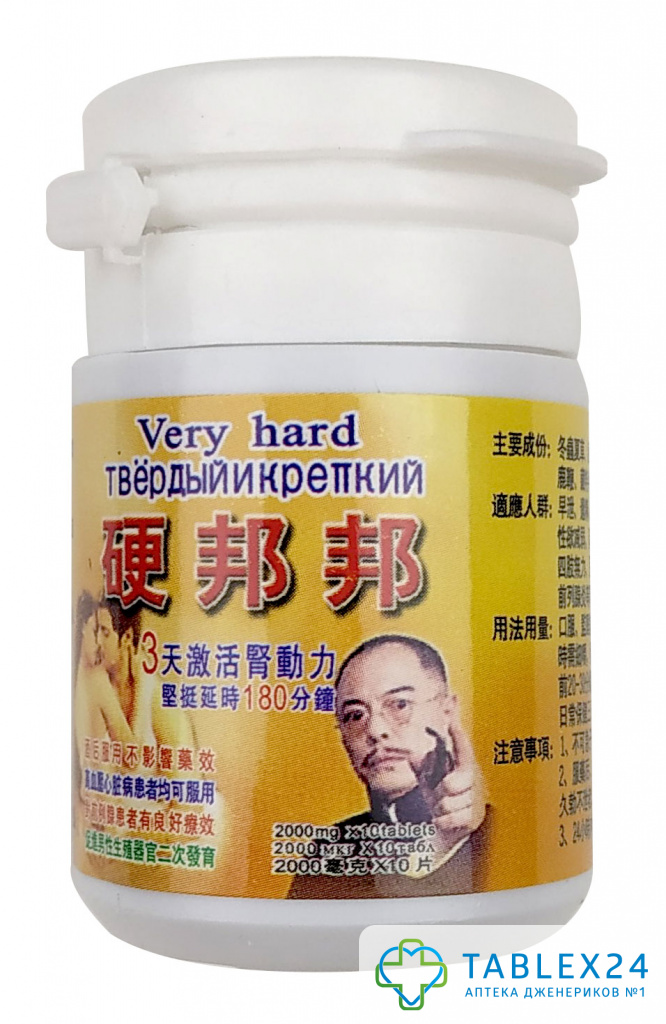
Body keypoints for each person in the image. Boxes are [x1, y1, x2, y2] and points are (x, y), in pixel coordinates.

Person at [288, 634, 489, 898]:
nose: (375, 730)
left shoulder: (501, 829)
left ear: (447, 712)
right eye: (355, 715)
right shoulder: (330, 848)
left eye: (400, 704)